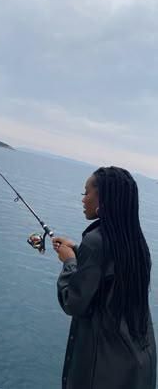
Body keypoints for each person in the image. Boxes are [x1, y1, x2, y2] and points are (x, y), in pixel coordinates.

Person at [52, 166, 157, 389]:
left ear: (103, 199)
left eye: (86, 192)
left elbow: (73, 302)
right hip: (136, 365)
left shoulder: (96, 241)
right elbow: (109, 272)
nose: (83, 199)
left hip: (102, 371)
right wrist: (79, 253)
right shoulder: (136, 242)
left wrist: (69, 263)